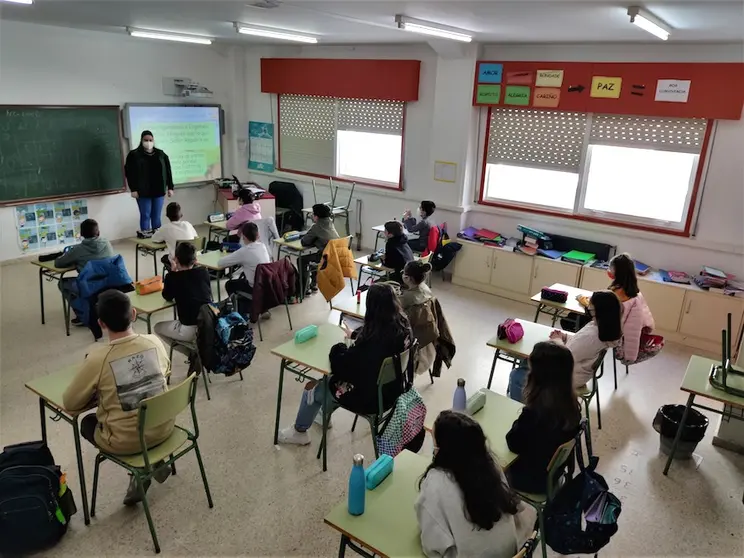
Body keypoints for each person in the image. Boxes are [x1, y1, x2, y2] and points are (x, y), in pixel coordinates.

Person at [62, 289, 173, 506]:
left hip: (126, 442)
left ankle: (142, 469)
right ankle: (154, 463)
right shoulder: (154, 341)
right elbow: (165, 371)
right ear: (133, 314)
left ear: (101, 324)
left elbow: (70, 403)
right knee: (141, 411)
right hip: (164, 428)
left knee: (87, 422)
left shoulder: (97, 358)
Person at [278, 283, 412, 445]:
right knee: (330, 380)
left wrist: (338, 347)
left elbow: (341, 366)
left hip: (369, 400)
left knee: (314, 388)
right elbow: (374, 349)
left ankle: (299, 431)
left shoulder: (372, 344)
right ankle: (322, 413)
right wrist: (356, 334)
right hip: (391, 393)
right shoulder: (403, 327)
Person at [416, 410, 534, 558]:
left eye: (435, 446)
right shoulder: (492, 467)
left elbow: (432, 548)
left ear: (442, 451)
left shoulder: (435, 483)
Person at [505, 342, 581, 494]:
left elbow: (512, 442)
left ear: (537, 377)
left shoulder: (534, 414)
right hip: (553, 475)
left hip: (530, 480)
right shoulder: (573, 407)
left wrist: (518, 422)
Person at [54, 218, 114, 326]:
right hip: (111, 282)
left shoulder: (78, 250)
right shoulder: (106, 243)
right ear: (98, 232)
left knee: (62, 283)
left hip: (90, 286)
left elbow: (58, 263)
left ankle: (84, 314)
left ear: (81, 234)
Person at [154, 242, 212, 351]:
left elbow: (167, 296)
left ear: (175, 260)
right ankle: (195, 353)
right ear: (195, 260)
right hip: (209, 324)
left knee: (157, 327)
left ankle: (191, 354)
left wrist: (173, 272)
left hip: (189, 329)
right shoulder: (204, 272)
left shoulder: (172, 277)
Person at [605, 253, 655, 363]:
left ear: (615, 273)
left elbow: (632, 331)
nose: (608, 270)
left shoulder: (617, 294)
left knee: (572, 320)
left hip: (610, 332)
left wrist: (630, 356)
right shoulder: (635, 292)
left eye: (610, 268)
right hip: (613, 329)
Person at [125, 130, 175, 239]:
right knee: (145, 215)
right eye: (146, 140)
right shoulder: (134, 155)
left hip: (158, 190)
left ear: (153, 140)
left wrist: (170, 187)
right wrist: (133, 189)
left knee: (156, 216)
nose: (148, 142)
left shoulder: (161, 154)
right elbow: (129, 173)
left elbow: (168, 171)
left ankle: (158, 238)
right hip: (142, 192)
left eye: (150, 140)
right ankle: (146, 239)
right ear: (141, 140)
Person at [221, 221, 271, 314]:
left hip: (254, 288)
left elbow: (221, 263)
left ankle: (242, 312)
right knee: (244, 278)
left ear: (243, 236)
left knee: (229, 284)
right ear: (258, 235)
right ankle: (262, 309)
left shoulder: (244, 251)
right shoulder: (262, 246)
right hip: (268, 285)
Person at [298, 204, 339, 295]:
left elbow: (304, 242)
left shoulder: (316, 227)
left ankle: (304, 287)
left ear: (316, 216)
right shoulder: (330, 222)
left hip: (326, 258)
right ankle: (314, 284)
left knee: (301, 259)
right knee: (317, 254)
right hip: (337, 256)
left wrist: (313, 239)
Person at [151, 202, 198, 269]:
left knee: (164, 258)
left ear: (167, 215)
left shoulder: (165, 228)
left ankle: (174, 274)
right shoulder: (188, 224)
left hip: (178, 261)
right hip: (192, 259)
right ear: (181, 215)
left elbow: (154, 239)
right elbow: (196, 237)